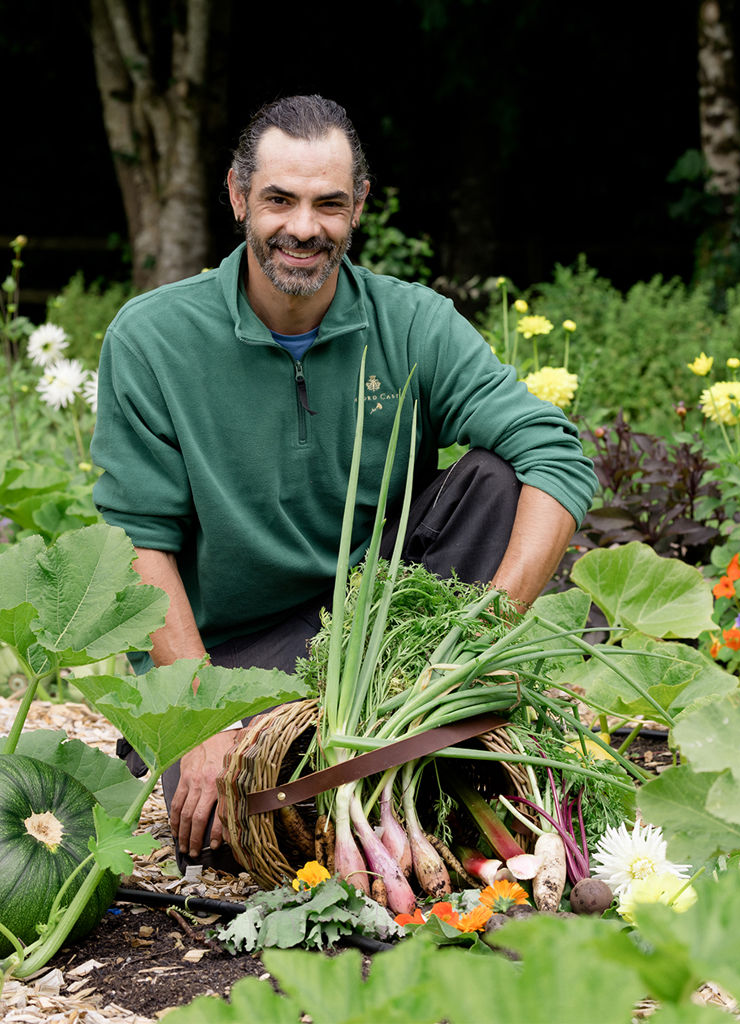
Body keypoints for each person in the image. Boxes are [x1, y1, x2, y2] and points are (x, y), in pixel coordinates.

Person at [91, 94, 597, 871]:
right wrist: (198, 723)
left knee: (496, 479)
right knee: (249, 831)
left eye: (329, 203)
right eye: (279, 200)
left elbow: (556, 454)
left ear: (358, 206)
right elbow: (138, 543)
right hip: (231, 661)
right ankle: (372, 762)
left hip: (384, 634)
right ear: (237, 198)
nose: (304, 227)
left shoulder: (413, 322)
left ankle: (413, 725)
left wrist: (483, 634)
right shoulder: (154, 337)